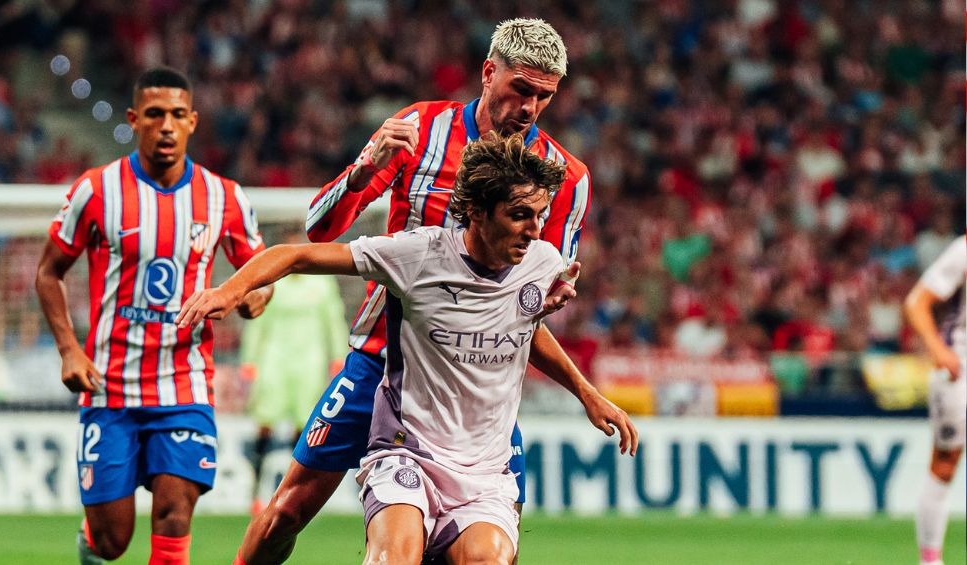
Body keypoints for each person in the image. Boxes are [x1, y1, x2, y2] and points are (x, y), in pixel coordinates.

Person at [176, 132, 638, 565]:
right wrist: (230, 290)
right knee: (375, 550)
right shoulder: (418, 254)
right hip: (407, 450)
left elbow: (523, 328)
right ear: (477, 211)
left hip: (484, 471)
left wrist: (588, 394)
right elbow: (295, 254)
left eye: (540, 215)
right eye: (520, 215)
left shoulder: (542, 262)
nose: (535, 230)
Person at [236, 18, 596, 564]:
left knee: (489, 550)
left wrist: (554, 298)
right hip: (381, 360)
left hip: (470, 387)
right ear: (488, 73)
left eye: (543, 96)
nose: (529, 107)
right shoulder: (420, 130)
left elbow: (536, 296)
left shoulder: (565, 177)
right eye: (520, 88)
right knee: (286, 512)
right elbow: (318, 230)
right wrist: (365, 170)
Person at [35, 66, 273, 565]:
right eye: (155, 114)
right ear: (133, 119)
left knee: (174, 515)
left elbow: (258, 271)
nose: (167, 125)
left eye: (177, 115)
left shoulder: (225, 197)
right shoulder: (96, 190)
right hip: (110, 385)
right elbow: (48, 273)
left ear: (193, 122)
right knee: (112, 541)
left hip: (184, 385)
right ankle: (93, 538)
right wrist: (69, 349)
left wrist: (253, 295)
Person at [240, 225, 349, 516]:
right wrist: (250, 359)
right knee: (265, 422)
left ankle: (291, 494)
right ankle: (255, 492)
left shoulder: (321, 283)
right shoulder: (274, 282)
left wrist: (338, 355)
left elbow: (333, 319)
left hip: (309, 358)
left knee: (304, 426)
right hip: (274, 357)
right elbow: (258, 322)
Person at [904, 235, 965, 565]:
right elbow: (916, 302)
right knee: (945, 461)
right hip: (959, 368)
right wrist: (937, 349)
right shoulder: (963, 251)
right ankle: (930, 560)